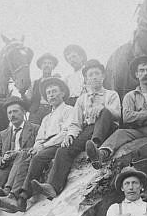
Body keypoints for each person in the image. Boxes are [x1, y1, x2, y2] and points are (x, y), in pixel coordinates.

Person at [33, 59, 119, 201]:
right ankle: (53, 187)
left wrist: (104, 108)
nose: (94, 77)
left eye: (97, 73)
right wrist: (70, 136)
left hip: (108, 128)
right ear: (86, 79)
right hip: (88, 130)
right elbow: (76, 123)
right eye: (90, 75)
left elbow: (118, 115)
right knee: (64, 149)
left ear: (103, 76)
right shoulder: (82, 99)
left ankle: (95, 149)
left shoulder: (111, 94)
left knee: (104, 113)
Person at [2, 77, 74, 213]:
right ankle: (16, 196)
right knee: (25, 159)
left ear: (63, 93)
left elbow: (65, 132)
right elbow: (40, 137)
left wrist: (44, 146)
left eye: (54, 91)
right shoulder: (46, 118)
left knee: (38, 158)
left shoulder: (68, 110)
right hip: (45, 145)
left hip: (59, 143)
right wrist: (36, 147)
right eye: (49, 93)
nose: (51, 95)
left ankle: (24, 195)